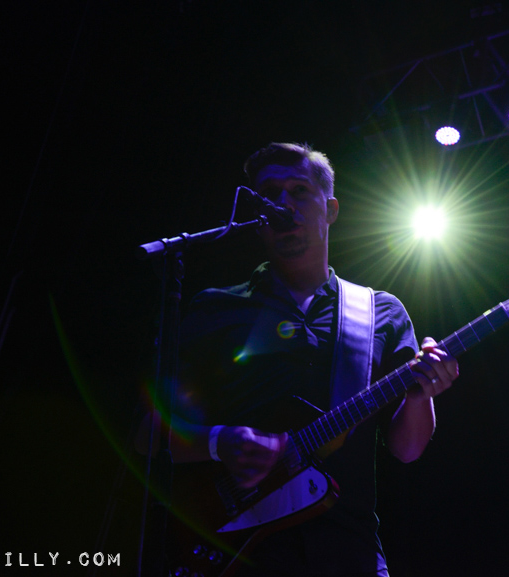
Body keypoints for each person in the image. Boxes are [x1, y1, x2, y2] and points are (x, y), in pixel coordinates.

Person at [145, 142, 459, 577]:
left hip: (349, 554)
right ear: (257, 218)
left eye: (299, 190)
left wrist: (423, 395)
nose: (283, 203)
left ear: (330, 210)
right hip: (237, 555)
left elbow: (407, 449)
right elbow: (149, 434)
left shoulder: (379, 313)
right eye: (269, 194)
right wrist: (220, 441)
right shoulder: (215, 308)